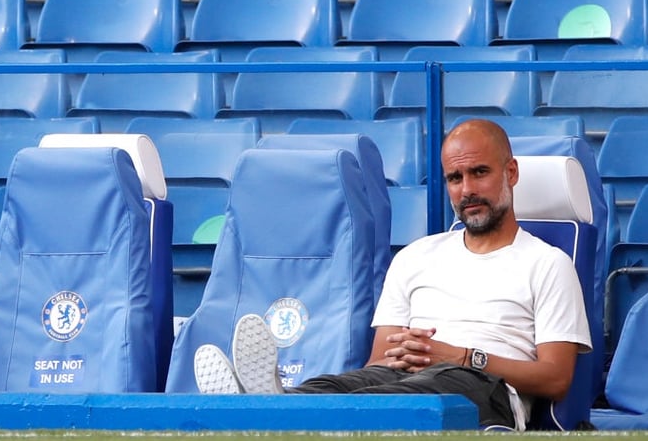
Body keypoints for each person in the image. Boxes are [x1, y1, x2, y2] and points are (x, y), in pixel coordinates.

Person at [193, 119, 592, 430]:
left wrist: (462, 355)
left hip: (483, 388)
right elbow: (379, 361)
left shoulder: (548, 263)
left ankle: (266, 415)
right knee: (337, 386)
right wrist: (403, 354)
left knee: (404, 394)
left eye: (479, 173)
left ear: (511, 173)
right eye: (455, 178)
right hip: (401, 379)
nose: (467, 189)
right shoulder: (416, 256)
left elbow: (556, 378)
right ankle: (272, 405)